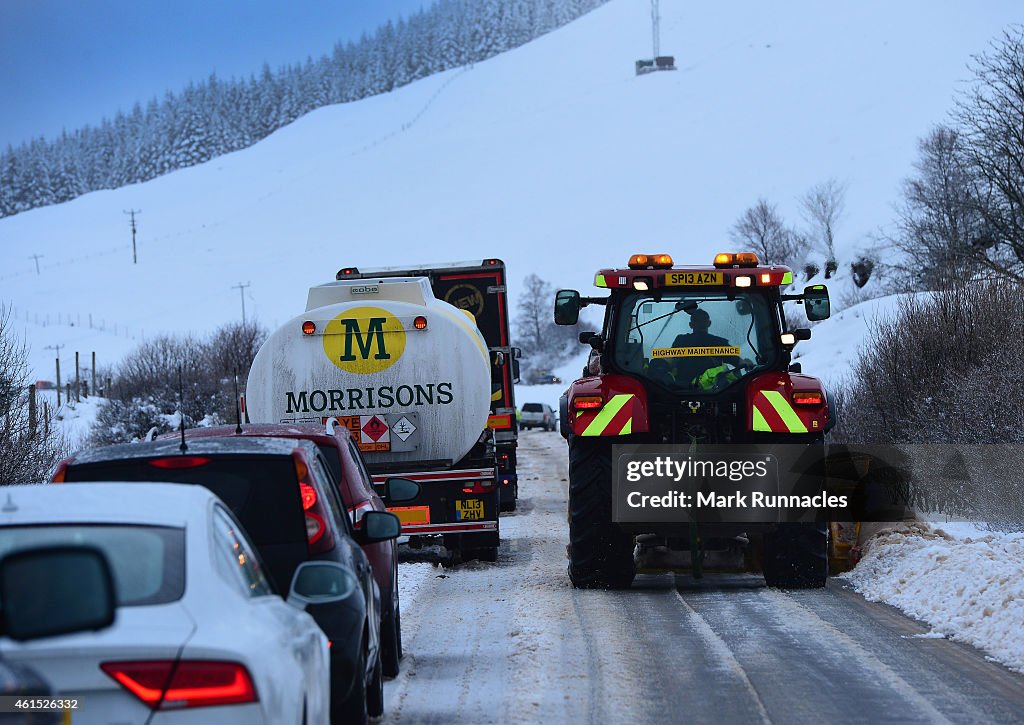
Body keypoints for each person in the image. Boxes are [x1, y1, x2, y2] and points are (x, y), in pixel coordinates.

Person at [669, 308, 750, 388]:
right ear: (709, 323)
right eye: (698, 320)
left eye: (702, 320)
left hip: (681, 392)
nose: (700, 322)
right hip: (714, 394)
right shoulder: (719, 342)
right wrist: (746, 363)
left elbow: (670, 360)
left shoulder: (681, 340)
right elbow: (737, 361)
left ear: (691, 325)